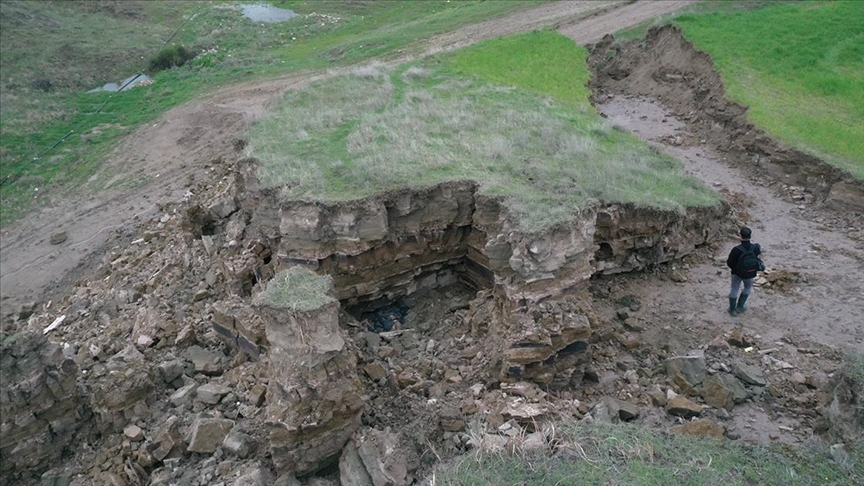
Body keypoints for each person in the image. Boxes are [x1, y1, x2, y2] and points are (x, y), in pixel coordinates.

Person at [726, 226, 763, 315]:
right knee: (747, 288)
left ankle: (732, 310)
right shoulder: (756, 247)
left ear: (740, 236)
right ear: (750, 236)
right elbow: (758, 258)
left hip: (737, 273)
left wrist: (735, 269)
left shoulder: (736, 249)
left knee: (734, 289)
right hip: (750, 273)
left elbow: (729, 262)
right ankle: (740, 306)